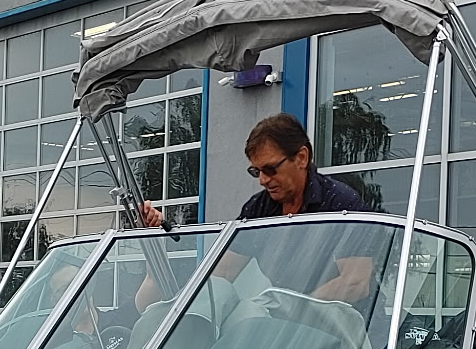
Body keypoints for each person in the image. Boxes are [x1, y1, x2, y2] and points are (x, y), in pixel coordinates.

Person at [137, 113, 374, 304]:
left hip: (352, 329)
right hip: (291, 328)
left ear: (301, 157)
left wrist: (295, 309)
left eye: (270, 169)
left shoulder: (341, 203)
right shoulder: (259, 208)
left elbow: (355, 284)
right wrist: (179, 301)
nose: (262, 180)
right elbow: (221, 274)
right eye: (256, 171)